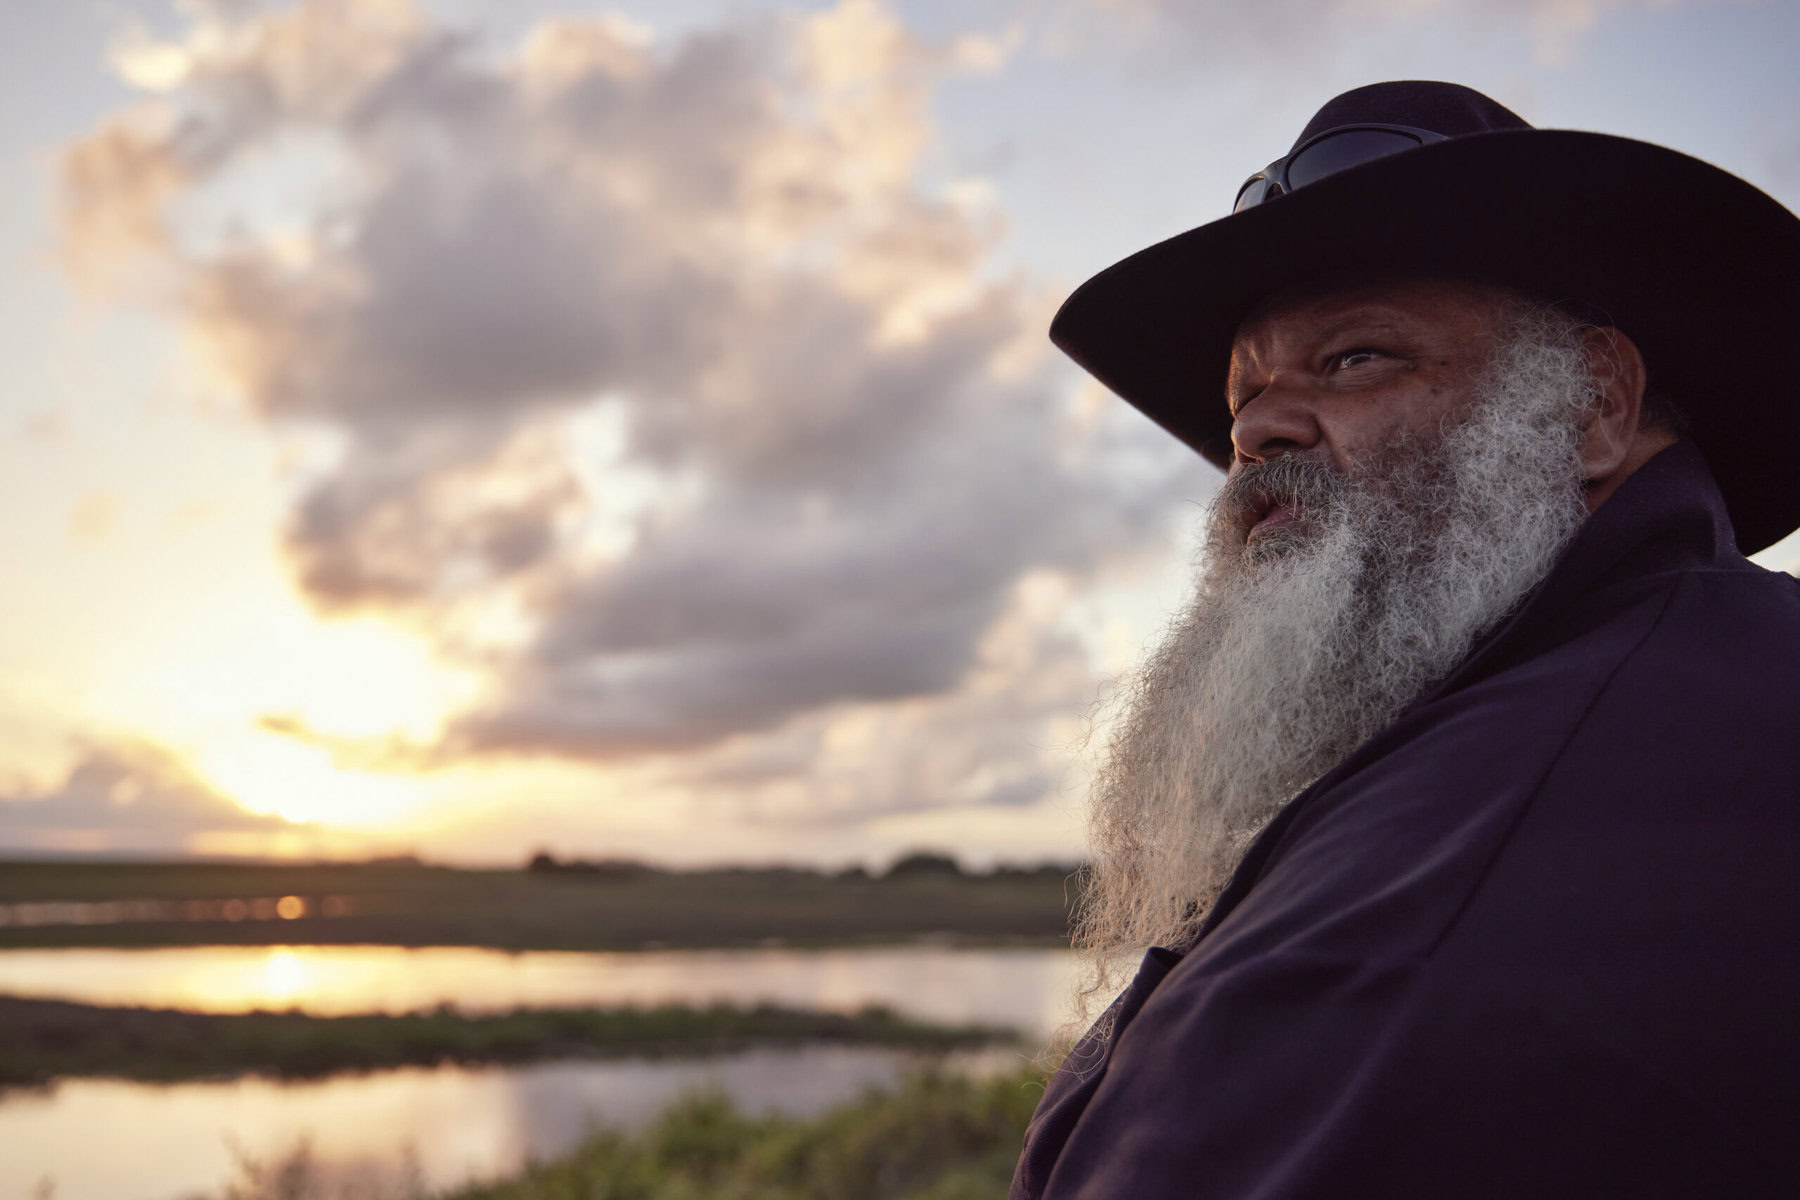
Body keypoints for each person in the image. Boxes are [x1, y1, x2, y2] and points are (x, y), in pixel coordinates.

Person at [1011, 81, 1800, 1198]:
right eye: (1244, 398)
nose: (1254, 432)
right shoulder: (1538, 726)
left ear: (1594, 406)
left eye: (1355, 360)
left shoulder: (1556, 805)